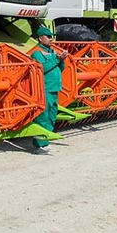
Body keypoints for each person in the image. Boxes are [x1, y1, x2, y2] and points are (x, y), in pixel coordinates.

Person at [30, 25, 67, 153]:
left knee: (51, 116)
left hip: (54, 88)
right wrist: (58, 59)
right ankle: (39, 145)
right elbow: (43, 68)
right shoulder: (37, 53)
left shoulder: (53, 52)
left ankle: (46, 142)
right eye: (48, 36)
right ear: (40, 38)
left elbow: (60, 68)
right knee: (42, 117)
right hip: (44, 89)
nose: (51, 39)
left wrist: (62, 60)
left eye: (52, 36)